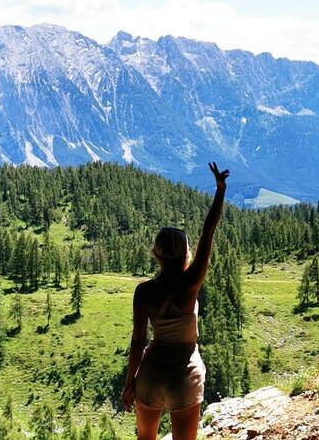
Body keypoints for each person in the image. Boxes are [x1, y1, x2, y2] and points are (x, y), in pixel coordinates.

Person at [121, 162, 229, 440]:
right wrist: (219, 191)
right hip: (184, 372)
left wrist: (130, 382)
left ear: (156, 255)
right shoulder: (190, 283)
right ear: (186, 256)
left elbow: (137, 341)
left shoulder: (143, 292)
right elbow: (208, 233)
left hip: (151, 373)